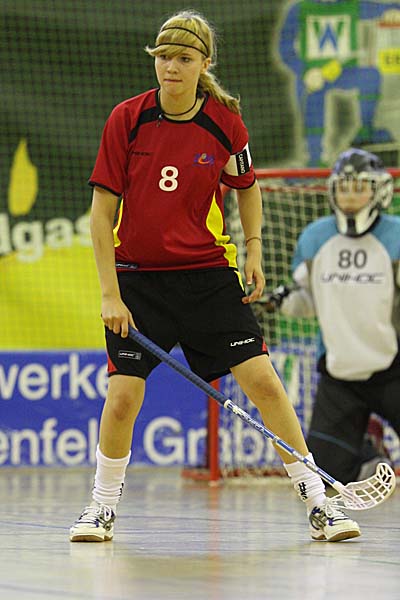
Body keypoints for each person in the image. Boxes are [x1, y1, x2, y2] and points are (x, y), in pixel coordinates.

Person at [69, 10, 360, 543]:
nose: (170, 68)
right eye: (163, 57)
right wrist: (110, 294)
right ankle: (100, 508)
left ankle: (320, 505)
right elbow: (100, 213)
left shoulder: (224, 122)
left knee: (264, 384)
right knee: (123, 398)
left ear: (204, 64)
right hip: (138, 282)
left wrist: (253, 250)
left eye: (183, 58)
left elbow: (247, 187)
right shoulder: (126, 119)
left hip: (207, 277)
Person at [264, 148, 399, 484]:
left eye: (359, 187)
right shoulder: (315, 237)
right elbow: (310, 301)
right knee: (325, 475)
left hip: (394, 369)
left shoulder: (396, 236)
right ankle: (369, 450)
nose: (350, 195)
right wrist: (284, 301)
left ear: (378, 190)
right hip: (340, 376)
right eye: (344, 186)